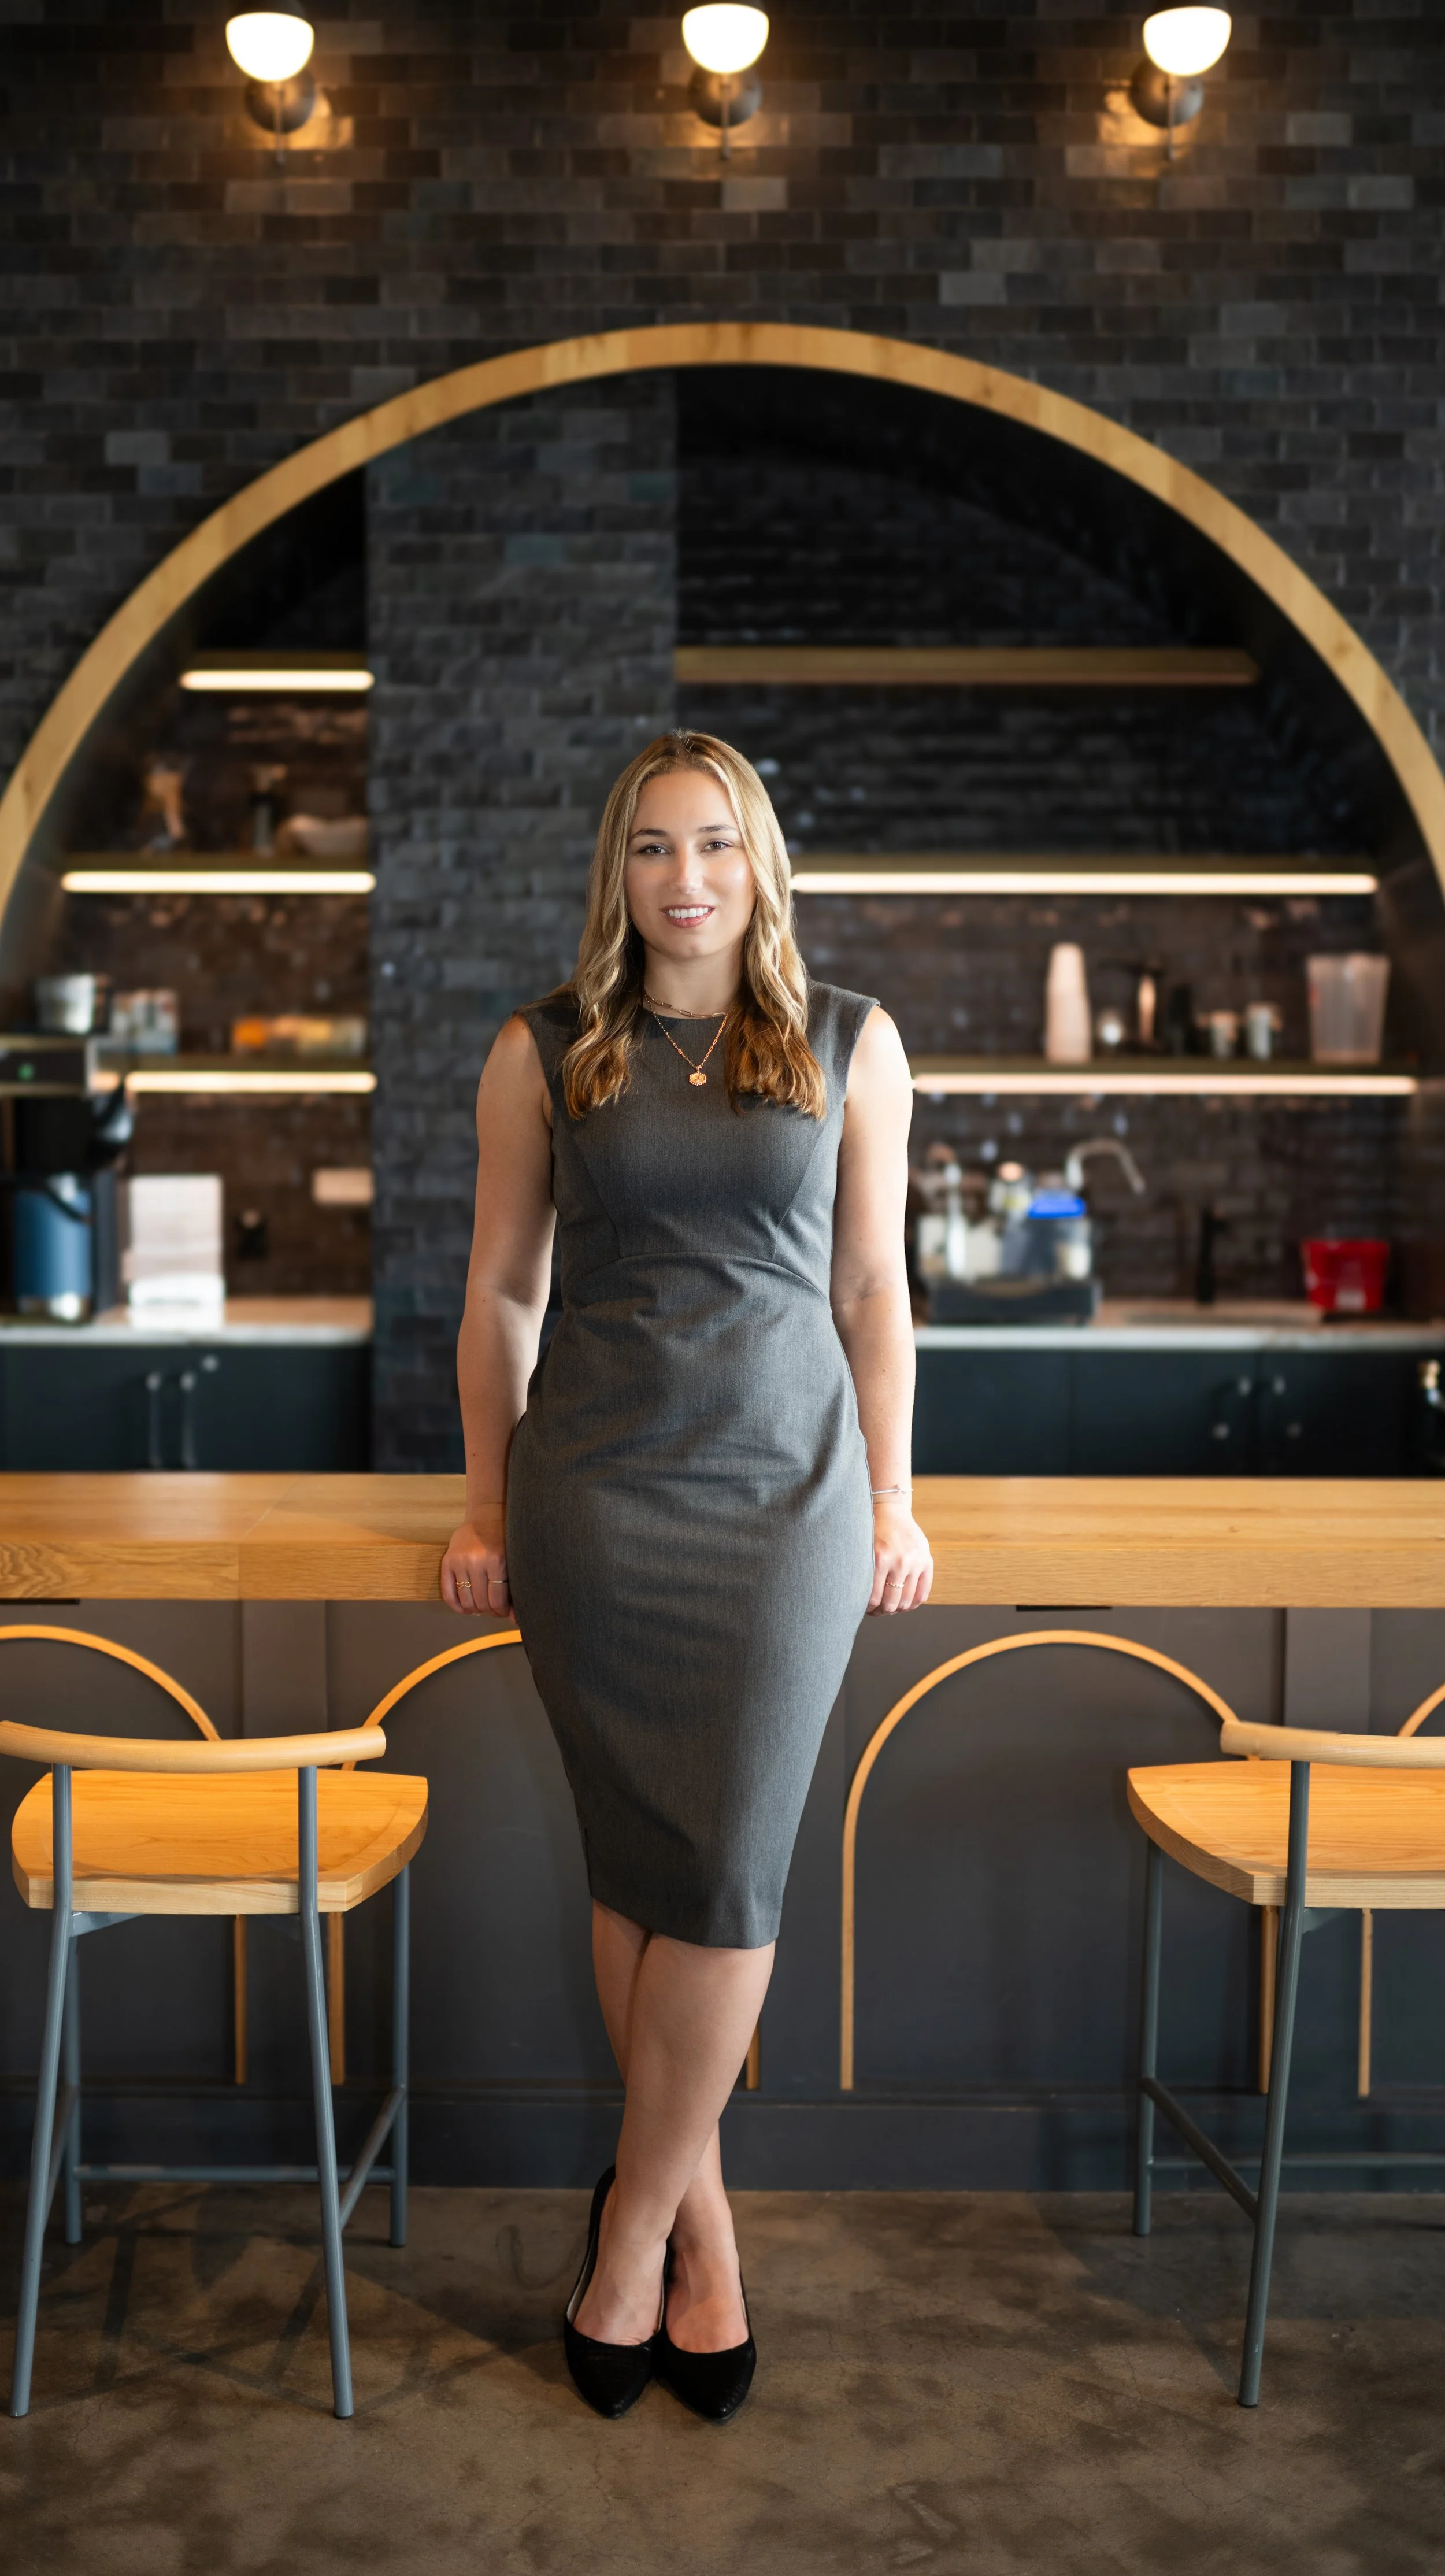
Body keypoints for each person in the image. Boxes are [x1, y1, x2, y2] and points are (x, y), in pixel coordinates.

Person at [442, 731, 932, 2421]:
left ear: (759, 860)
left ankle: (630, 2231)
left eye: (713, 844)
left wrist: (897, 1497)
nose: (684, 878)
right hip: (592, 1500)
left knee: (726, 1871)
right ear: (618, 870)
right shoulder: (547, 1049)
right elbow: (503, 1294)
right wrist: (482, 1503)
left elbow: (873, 1291)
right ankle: (701, 2246)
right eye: (652, 847)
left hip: (788, 1500)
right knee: (640, 1873)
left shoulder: (848, 1042)